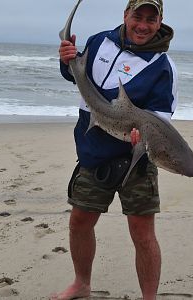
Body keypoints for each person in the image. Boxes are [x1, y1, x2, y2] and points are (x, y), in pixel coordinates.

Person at [51, 0, 177, 299]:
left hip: (137, 159)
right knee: (80, 221)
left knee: (142, 233)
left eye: (151, 19)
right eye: (138, 16)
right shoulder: (99, 42)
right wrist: (66, 57)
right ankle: (81, 283)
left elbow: (160, 121)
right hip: (93, 151)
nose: (143, 25)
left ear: (160, 22)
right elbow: (74, 74)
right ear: (126, 15)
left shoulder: (162, 67)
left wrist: (140, 136)